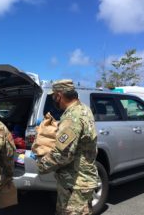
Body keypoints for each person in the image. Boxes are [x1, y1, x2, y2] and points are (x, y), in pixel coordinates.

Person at [37, 79, 98, 215]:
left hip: (75, 184)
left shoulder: (72, 117)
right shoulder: (84, 109)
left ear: (59, 95)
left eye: (54, 96)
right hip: (83, 180)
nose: (54, 100)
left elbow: (63, 154)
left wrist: (42, 165)